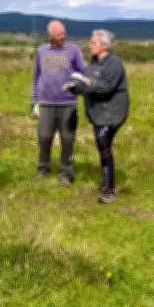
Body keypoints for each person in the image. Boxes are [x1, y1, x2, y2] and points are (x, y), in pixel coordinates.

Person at [63, 29, 129, 204]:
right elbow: (86, 85)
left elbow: (106, 87)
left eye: (93, 42)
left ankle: (109, 190)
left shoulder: (114, 64)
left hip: (112, 113)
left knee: (103, 144)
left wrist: (86, 81)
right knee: (102, 147)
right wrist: (75, 87)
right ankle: (107, 183)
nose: (90, 45)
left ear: (104, 45)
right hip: (98, 115)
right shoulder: (92, 64)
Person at [31, 20, 86, 186]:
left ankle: (66, 173)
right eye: (59, 34)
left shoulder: (74, 50)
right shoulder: (41, 51)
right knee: (44, 137)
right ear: (50, 36)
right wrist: (34, 101)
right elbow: (36, 77)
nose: (63, 36)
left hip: (68, 103)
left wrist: (77, 86)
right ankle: (43, 169)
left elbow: (82, 73)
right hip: (46, 103)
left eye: (64, 33)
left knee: (67, 139)